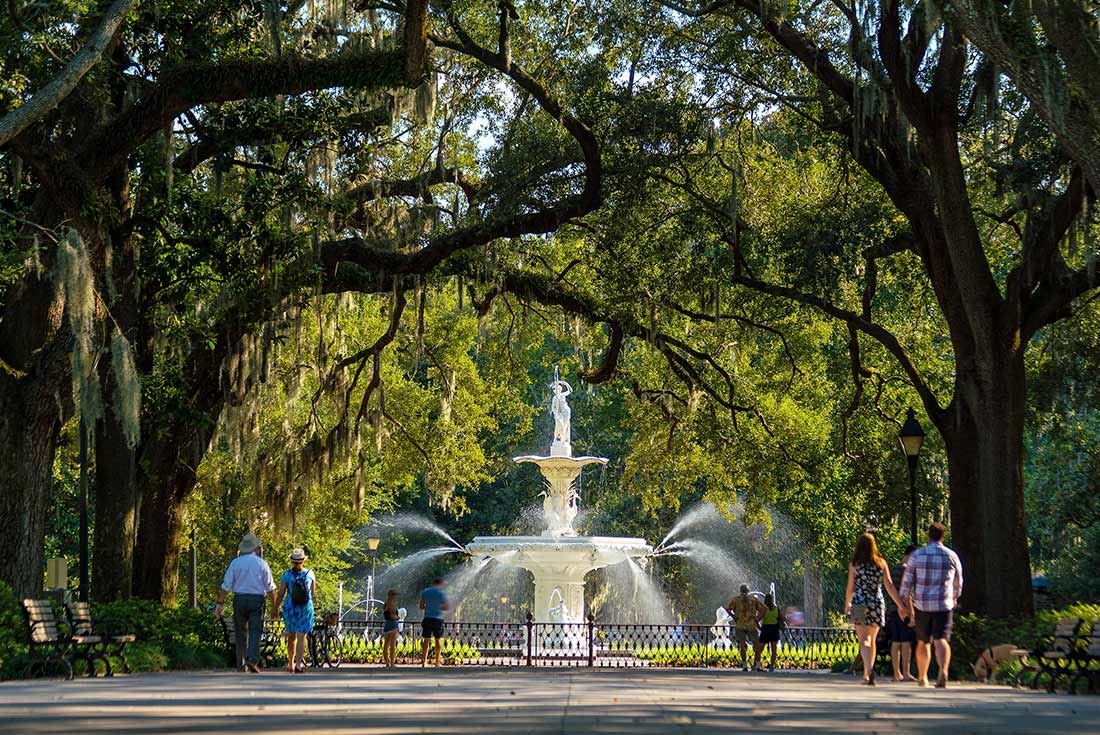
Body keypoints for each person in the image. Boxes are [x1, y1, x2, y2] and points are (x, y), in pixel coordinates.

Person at [899, 522, 963, 688]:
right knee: (942, 639)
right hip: (943, 603)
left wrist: (903, 604)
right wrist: (954, 598)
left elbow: (907, 582)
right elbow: (958, 581)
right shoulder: (951, 556)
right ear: (942, 537)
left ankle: (923, 677)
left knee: (923, 641)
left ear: (928, 536)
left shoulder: (917, 555)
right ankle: (943, 671)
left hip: (922, 605)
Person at [844, 532, 905, 686]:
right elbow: (889, 586)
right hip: (877, 603)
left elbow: (850, 588)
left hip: (859, 603)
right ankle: (866, 674)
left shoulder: (854, 564)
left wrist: (847, 604)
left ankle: (869, 671)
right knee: (872, 640)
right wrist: (901, 605)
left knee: (863, 640)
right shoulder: (881, 564)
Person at [214, 533, 276, 673]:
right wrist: (274, 607)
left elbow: (226, 585)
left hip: (240, 599)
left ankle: (240, 664)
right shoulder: (262, 563)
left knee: (240, 632)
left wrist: (220, 603)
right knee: (255, 630)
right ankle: (252, 660)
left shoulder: (235, 562)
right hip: (257, 600)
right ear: (256, 548)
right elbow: (270, 587)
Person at [274, 548, 315, 674]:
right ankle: (298, 665)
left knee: (291, 636)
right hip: (305, 608)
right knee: (301, 636)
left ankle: (290, 664)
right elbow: (312, 593)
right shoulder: (310, 574)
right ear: (303, 560)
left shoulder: (286, 575)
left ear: (292, 561)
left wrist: (275, 607)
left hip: (290, 607)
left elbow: (281, 593)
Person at [888, 544, 919, 681]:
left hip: (893, 609)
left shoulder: (893, 569)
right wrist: (912, 614)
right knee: (906, 642)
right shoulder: (908, 570)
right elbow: (908, 594)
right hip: (904, 609)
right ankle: (906, 673)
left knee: (895, 641)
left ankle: (896, 673)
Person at [726, 584, 766, 672]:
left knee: (742, 646)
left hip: (740, 625)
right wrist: (757, 619)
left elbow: (728, 609)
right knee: (757, 646)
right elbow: (764, 609)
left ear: (740, 590)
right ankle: (758, 666)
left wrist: (734, 617)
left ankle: (744, 666)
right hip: (751, 625)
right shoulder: (753, 600)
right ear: (748, 591)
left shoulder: (735, 600)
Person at [419, 578, 449, 667]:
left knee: (426, 640)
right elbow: (446, 607)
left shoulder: (426, 592)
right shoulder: (442, 593)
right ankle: (437, 662)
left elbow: (421, 606)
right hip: (438, 619)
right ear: (440, 584)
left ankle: (424, 662)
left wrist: (429, 608)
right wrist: (437, 608)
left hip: (427, 618)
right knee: (438, 640)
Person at [758, 593, 786, 671]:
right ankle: (772, 667)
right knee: (774, 649)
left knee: (760, 649)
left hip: (765, 629)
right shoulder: (776, 609)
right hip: (774, 629)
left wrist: (759, 627)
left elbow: (757, 619)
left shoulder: (764, 609)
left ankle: (756, 665)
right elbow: (784, 618)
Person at [382, 589, 401, 668]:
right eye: (395, 595)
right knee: (392, 646)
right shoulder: (392, 604)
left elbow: (386, 614)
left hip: (387, 625)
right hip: (393, 625)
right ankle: (392, 663)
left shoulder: (386, 603)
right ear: (392, 595)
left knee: (386, 645)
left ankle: (387, 663)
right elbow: (392, 615)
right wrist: (397, 617)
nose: (397, 597)